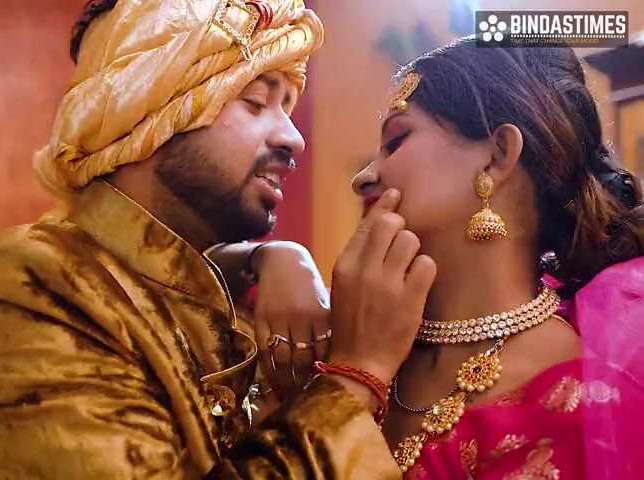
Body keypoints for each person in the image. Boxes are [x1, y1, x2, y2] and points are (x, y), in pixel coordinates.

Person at [0, 1, 439, 479]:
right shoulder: (28, 285)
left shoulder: (226, 295)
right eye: (254, 102)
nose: (293, 137)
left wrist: (266, 258)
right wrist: (356, 374)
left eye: (288, 108)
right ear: (146, 112)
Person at [239, 37, 644, 478]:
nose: (363, 177)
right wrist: (272, 256)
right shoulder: (346, 320)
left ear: (497, 156)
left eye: (396, 141)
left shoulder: (579, 400)